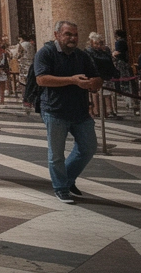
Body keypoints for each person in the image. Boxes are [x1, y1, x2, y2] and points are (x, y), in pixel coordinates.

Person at [33, 20, 103, 203]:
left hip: (79, 110)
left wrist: (93, 84)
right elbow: (41, 79)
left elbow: (96, 78)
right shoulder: (45, 53)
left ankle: (67, 179)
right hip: (54, 110)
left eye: (75, 35)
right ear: (57, 35)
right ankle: (61, 188)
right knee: (56, 154)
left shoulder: (82, 55)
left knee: (88, 147)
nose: (72, 38)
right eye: (68, 34)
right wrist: (72, 80)